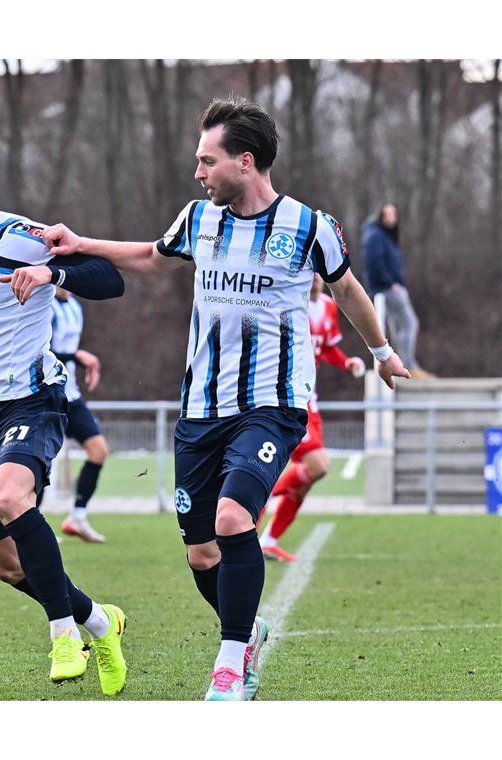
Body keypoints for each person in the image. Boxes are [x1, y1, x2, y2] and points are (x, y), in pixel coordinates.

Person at [43, 97, 408, 700]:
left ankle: (231, 666)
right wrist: (81, 243)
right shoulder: (197, 219)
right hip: (200, 410)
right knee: (201, 554)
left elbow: (347, 289)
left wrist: (382, 352)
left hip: (273, 403)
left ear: (245, 161)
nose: (198, 172)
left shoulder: (308, 226)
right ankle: (248, 630)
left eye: (207, 161)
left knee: (234, 518)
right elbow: (150, 259)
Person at [0, 135, 129, 695]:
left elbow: (111, 280)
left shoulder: (18, 237)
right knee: (10, 567)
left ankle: (63, 634)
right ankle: (101, 623)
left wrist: (54, 275)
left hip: (31, 401)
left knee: (12, 499)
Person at [258, 274, 365, 562]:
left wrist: (347, 362)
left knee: (307, 479)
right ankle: (255, 498)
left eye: (320, 273)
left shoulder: (328, 307)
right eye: (311, 273)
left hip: (310, 401)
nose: (316, 279)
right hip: (289, 399)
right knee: (318, 465)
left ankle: (268, 540)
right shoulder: (289, 306)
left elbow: (326, 347)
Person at [50, 288, 109, 543]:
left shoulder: (75, 306)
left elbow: (69, 351)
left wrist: (80, 360)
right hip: (45, 395)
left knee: (99, 450)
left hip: (70, 395)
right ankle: (29, 527)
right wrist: (76, 356)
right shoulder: (45, 305)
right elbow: (39, 350)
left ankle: (77, 516)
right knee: (40, 461)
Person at [362, 203, 429, 377]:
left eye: (394, 214)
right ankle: (408, 364)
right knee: (409, 323)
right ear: (380, 216)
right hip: (387, 289)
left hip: (388, 288)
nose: (392, 218)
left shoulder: (384, 236)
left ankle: (401, 363)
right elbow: (374, 264)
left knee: (398, 327)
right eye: (387, 214)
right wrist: (390, 283)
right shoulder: (376, 235)